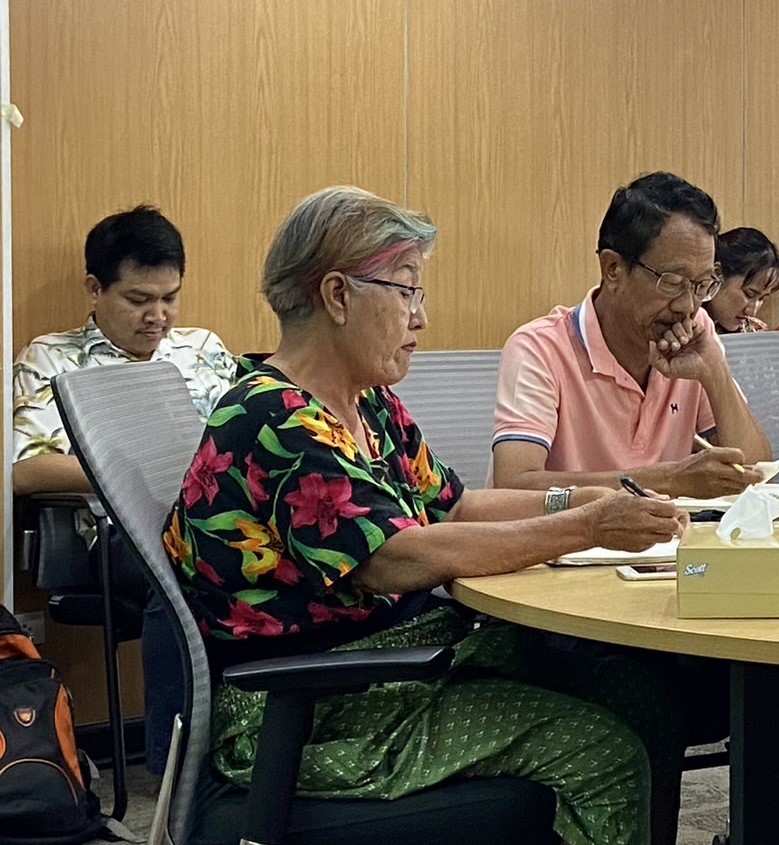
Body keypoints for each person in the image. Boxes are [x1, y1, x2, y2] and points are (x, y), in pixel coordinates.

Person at [166, 186, 692, 845]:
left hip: (394, 665)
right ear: (337, 295)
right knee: (603, 753)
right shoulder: (275, 417)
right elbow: (398, 557)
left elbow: (455, 505)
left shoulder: (366, 401)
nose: (421, 315)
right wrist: (585, 528)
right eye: (407, 290)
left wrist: (576, 499)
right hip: (317, 709)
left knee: (640, 698)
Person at [12, 205, 234, 775]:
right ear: (95, 288)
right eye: (139, 300)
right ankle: (177, 773)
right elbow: (26, 471)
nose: (158, 317)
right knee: (180, 568)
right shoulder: (51, 358)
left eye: (170, 298)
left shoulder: (202, 349)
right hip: (115, 534)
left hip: (215, 520)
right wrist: (146, 470)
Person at [491, 172, 771, 497]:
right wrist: (667, 480)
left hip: (671, 531)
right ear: (613, 269)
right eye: (672, 282)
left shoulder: (696, 335)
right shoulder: (540, 348)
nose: (687, 306)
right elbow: (514, 484)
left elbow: (753, 473)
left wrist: (715, 374)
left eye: (701, 286)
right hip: (570, 533)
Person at [702, 226, 779, 333]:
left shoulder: (754, 331)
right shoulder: (688, 327)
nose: (752, 312)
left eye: (761, 298)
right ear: (717, 274)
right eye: (749, 294)